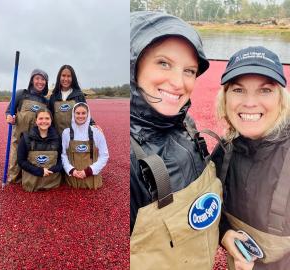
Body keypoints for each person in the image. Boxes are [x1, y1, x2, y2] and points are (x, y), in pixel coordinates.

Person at [130, 11, 222, 269]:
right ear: (133, 65)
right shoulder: (128, 157)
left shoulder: (186, 124)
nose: (178, 82)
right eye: (163, 63)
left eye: (189, 70)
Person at [213, 46, 290, 270]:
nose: (249, 103)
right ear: (225, 98)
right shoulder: (223, 152)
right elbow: (209, 209)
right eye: (238, 90)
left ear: (281, 99)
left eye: (265, 90)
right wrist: (225, 234)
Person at [5, 69, 49, 183]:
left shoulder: (46, 101)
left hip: (36, 141)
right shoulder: (21, 94)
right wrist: (9, 118)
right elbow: (9, 111)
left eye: (43, 79)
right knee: (14, 173)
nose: (40, 82)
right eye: (37, 78)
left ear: (46, 82)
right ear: (31, 80)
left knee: (31, 170)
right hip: (19, 138)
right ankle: (14, 179)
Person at [61, 102, 108, 189]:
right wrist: (71, 170)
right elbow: (63, 155)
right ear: (73, 114)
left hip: (92, 179)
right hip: (73, 180)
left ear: (88, 114)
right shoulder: (66, 133)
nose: (80, 116)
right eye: (77, 113)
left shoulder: (97, 132)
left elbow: (104, 156)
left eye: (83, 113)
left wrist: (89, 171)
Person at [17, 108, 61, 192]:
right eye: (41, 118)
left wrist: (53, 170)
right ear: (36, 121)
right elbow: (21, 161)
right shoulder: (26, 138)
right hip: (31, 184)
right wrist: (39, 171)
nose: (44, 121)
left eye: (47, 118)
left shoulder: (57, 138)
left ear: (51, 121)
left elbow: (60, 159)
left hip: (52, 183)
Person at [49, 65, 94, 134]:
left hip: (75, 138)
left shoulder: (79, 95)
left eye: (69, 76)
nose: (66, 79)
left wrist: (93, 125)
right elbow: (50, 118)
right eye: (63, 75)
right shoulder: (53, 97)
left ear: (73, 78)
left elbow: (86, 114)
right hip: (57, 139)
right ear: (59, 77)